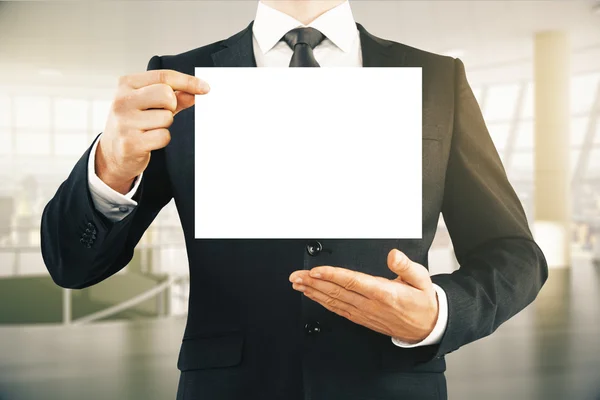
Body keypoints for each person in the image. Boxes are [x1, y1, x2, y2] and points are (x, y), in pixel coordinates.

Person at [40, 1, 548, 399]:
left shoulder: (437, 79)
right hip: (230, 390)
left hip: (390, 386)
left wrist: (439, 313)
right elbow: (72, 264)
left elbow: (514, 252)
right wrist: (109, 166)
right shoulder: (176, 77)